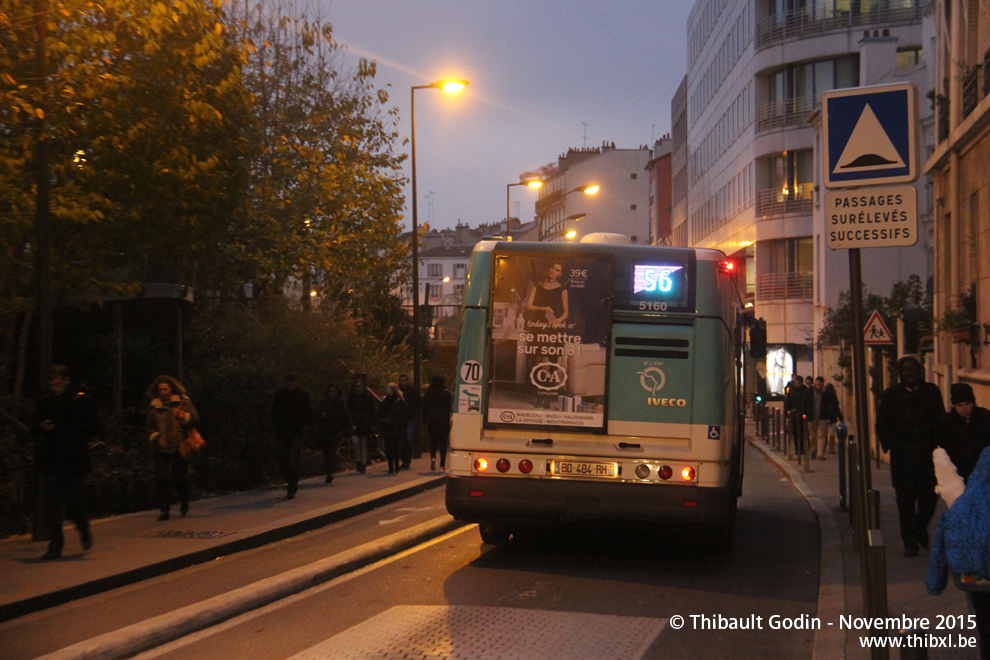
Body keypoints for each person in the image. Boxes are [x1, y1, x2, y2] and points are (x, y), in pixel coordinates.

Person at [876, 355, 946, 557]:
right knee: (905, 502)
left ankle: (920, 526)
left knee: (928, 498)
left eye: (913, 369)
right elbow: (883, 423)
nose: (910, 373)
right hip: (902, 458)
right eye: (905, 370)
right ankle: (910, 542)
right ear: (900, 373)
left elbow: (940, 420)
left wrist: (938, 446)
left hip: (926, 457)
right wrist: (891, 445)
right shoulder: (891, 395)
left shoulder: (931, 392)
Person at [926, 446, 990, 659]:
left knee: (983, 622)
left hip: (974, 579)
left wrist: (935, 582)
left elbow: (940, 546)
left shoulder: (962, 505)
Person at [32, 365, 99, 559]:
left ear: (67, 380)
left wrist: (72, 427)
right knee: (52, 504)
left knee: (73, 501)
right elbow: (33, 429)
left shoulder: (82, 401)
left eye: (58, 383)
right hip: (51, 459)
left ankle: (82, 526)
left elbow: (95, 427)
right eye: (52, 384)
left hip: (75, 459)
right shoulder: (45, 403)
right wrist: (42, 427)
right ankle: (55, 545)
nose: (55, 388)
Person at [146, 375, 199, 520]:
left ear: (171, 389)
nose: (163, 392)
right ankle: (164, 510)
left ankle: (184, 500)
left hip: (178, 446)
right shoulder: (154, 406)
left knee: (179, 478)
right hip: (161, 447)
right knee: (162, 479)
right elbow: (150, 425)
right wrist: (155, 437)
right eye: (160, 389)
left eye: (165, 389)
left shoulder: (182, 402)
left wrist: (184, 416)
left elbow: (195, 418)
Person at [936, 383, 990, 483]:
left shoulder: (984, 418)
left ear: (973, 403)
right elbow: (942, 442)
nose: (964, 408)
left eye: (967, 404)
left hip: (981, 468)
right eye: (959, 405)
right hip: (956, 470)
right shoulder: (948, 421)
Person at [272, 374, 312, 499]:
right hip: (283, 432)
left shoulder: (302, 396)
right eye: (289, 385)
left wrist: (303, 425)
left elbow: (308, 412)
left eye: (293, 385)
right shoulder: (280, 395)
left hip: (296, 432)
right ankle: (289, 480)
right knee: (283, 459)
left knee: (292, 457)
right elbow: (275, 412)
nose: (291, 387)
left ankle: (292, 485)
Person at [312, 384, 350, 484]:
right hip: (324, 431)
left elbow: (346, 416)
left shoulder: (340, 403)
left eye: (334, 392)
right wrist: (320, 415)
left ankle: (330, 472)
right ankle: (327, 470)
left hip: (336, 431)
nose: (332, 393)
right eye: (330, 391)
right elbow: (314, 414)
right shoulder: (323, 402)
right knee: (326, 452)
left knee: (332, 451)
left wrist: (347, 428)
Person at [524, 261, 569, 329]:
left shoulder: (562, 289)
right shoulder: (536, 286)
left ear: (560, 274)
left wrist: (557, 321)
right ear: (549, 269)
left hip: (553, 325)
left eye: (557, 270)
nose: (553, 271)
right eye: (552, 268)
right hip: (537, 324)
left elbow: (566, 312)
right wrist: (542, 308)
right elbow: (528, 306)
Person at [346, 377, 378, 474]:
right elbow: (348, 410)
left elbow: (372, 410)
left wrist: (373, 423)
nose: (358, 388)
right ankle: (359, 460)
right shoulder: (351, 397)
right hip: (355, 422)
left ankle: (362, 463)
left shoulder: (367, 397)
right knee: (356, 442)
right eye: (357, 386)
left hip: (365, 422)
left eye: (360, 386)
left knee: (363, 443)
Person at [422, 375, 452, 472]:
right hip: (443, 421)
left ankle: (433, 458)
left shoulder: (428, 393)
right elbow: (449, 408)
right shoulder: (447, 394)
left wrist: (424, 421)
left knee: (433, 442)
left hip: (432, 420)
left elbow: (424, 408)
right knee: (443, 443)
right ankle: (442, 465)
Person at [808, 376, 841, 460]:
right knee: (812, 435)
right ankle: (813, 449)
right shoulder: (810, 391)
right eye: (818, 384)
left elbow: (831, 404)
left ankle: (820, 454)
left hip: (822, 417)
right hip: (812, 417)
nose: (819, 386)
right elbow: (805, 403)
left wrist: (828, 415)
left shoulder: (826, 393)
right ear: (815, 383)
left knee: (821, 435)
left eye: (821, 384)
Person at [377, 383, 407, 474]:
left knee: (395, 447)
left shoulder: (399, 401)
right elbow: (380, 413)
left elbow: (402, 415)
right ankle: (391, 466)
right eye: (386, 388)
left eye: (388, 388)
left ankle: (396, 464)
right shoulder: (384, 400)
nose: (387, 389)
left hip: (395, 427)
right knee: (388, 448)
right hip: (387, 427)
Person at [397, 374, 421, 470]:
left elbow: (418, 403)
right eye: (401, 380)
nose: (403, 382)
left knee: (407, 438)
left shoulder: (413, 391)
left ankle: (406, 460)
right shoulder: (397, 391)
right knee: (402, 439)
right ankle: (404, 457)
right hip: (400, 418)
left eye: (404, 380)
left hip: (410, 417)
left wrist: (414, 412)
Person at [784, 374, 809, 456]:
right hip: (794, 414)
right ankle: (797, 448)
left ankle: (803, 448)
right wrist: (787, 413)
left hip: (803, 413)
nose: (798, 385)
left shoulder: (806, 390)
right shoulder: (791, 390)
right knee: (795, 432)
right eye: (797, 383)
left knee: (803, 432)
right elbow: (788, 402)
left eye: (800, 383)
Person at [824, 383, 844, 454]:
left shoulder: (824, 396)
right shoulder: (833, 396)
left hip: (824, 417)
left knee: (824, 433)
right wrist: (840, 417)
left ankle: (824, 447)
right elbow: (837, 408)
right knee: (831, 433)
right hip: (832, 417)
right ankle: (831, 448)